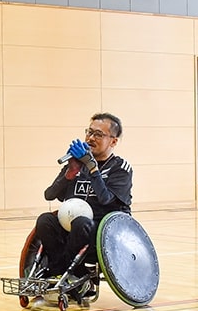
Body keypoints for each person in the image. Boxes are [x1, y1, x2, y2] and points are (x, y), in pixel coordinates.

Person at [34, 113, 133, 277]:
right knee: (45, 220)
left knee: (80, 223)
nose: (91, 138)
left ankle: (62, 272)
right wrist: (69, 173)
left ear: (113, 141)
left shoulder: (120, 168)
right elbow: (49, 195)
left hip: (103, 232)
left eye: (98, 134)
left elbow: (106, 199)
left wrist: (92, 169)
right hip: (71, 226)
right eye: (89, 132)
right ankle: (63, 272)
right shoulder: (76, 164)